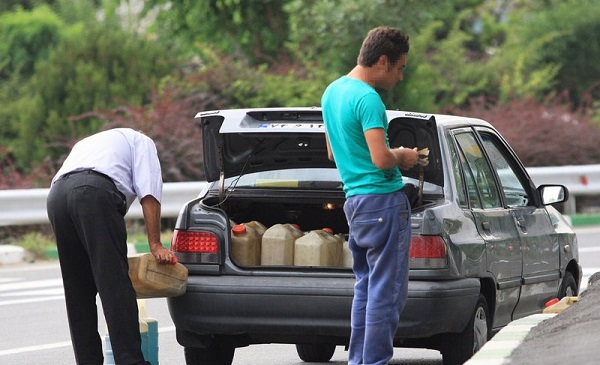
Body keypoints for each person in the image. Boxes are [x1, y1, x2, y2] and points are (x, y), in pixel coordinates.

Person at [321, 26, 419, 365]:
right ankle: (373, 362)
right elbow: (381, 159)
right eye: (400, 67)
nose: (402, 76)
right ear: (382, 61)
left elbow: (333, 154)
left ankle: (360, 361)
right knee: (387, 293)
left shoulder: (332, 92)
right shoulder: (367, 98)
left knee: (366, 287)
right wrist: (403, 156)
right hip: (383, 200)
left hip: (355, 203)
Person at [46, 128, 175, 365]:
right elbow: (149, 193)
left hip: (56, 198)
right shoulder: (143, 142)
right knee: (114, 283)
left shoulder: (90, 141)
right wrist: (155, 244)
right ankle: (131, 361)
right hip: (92, 193)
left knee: (78, 291)